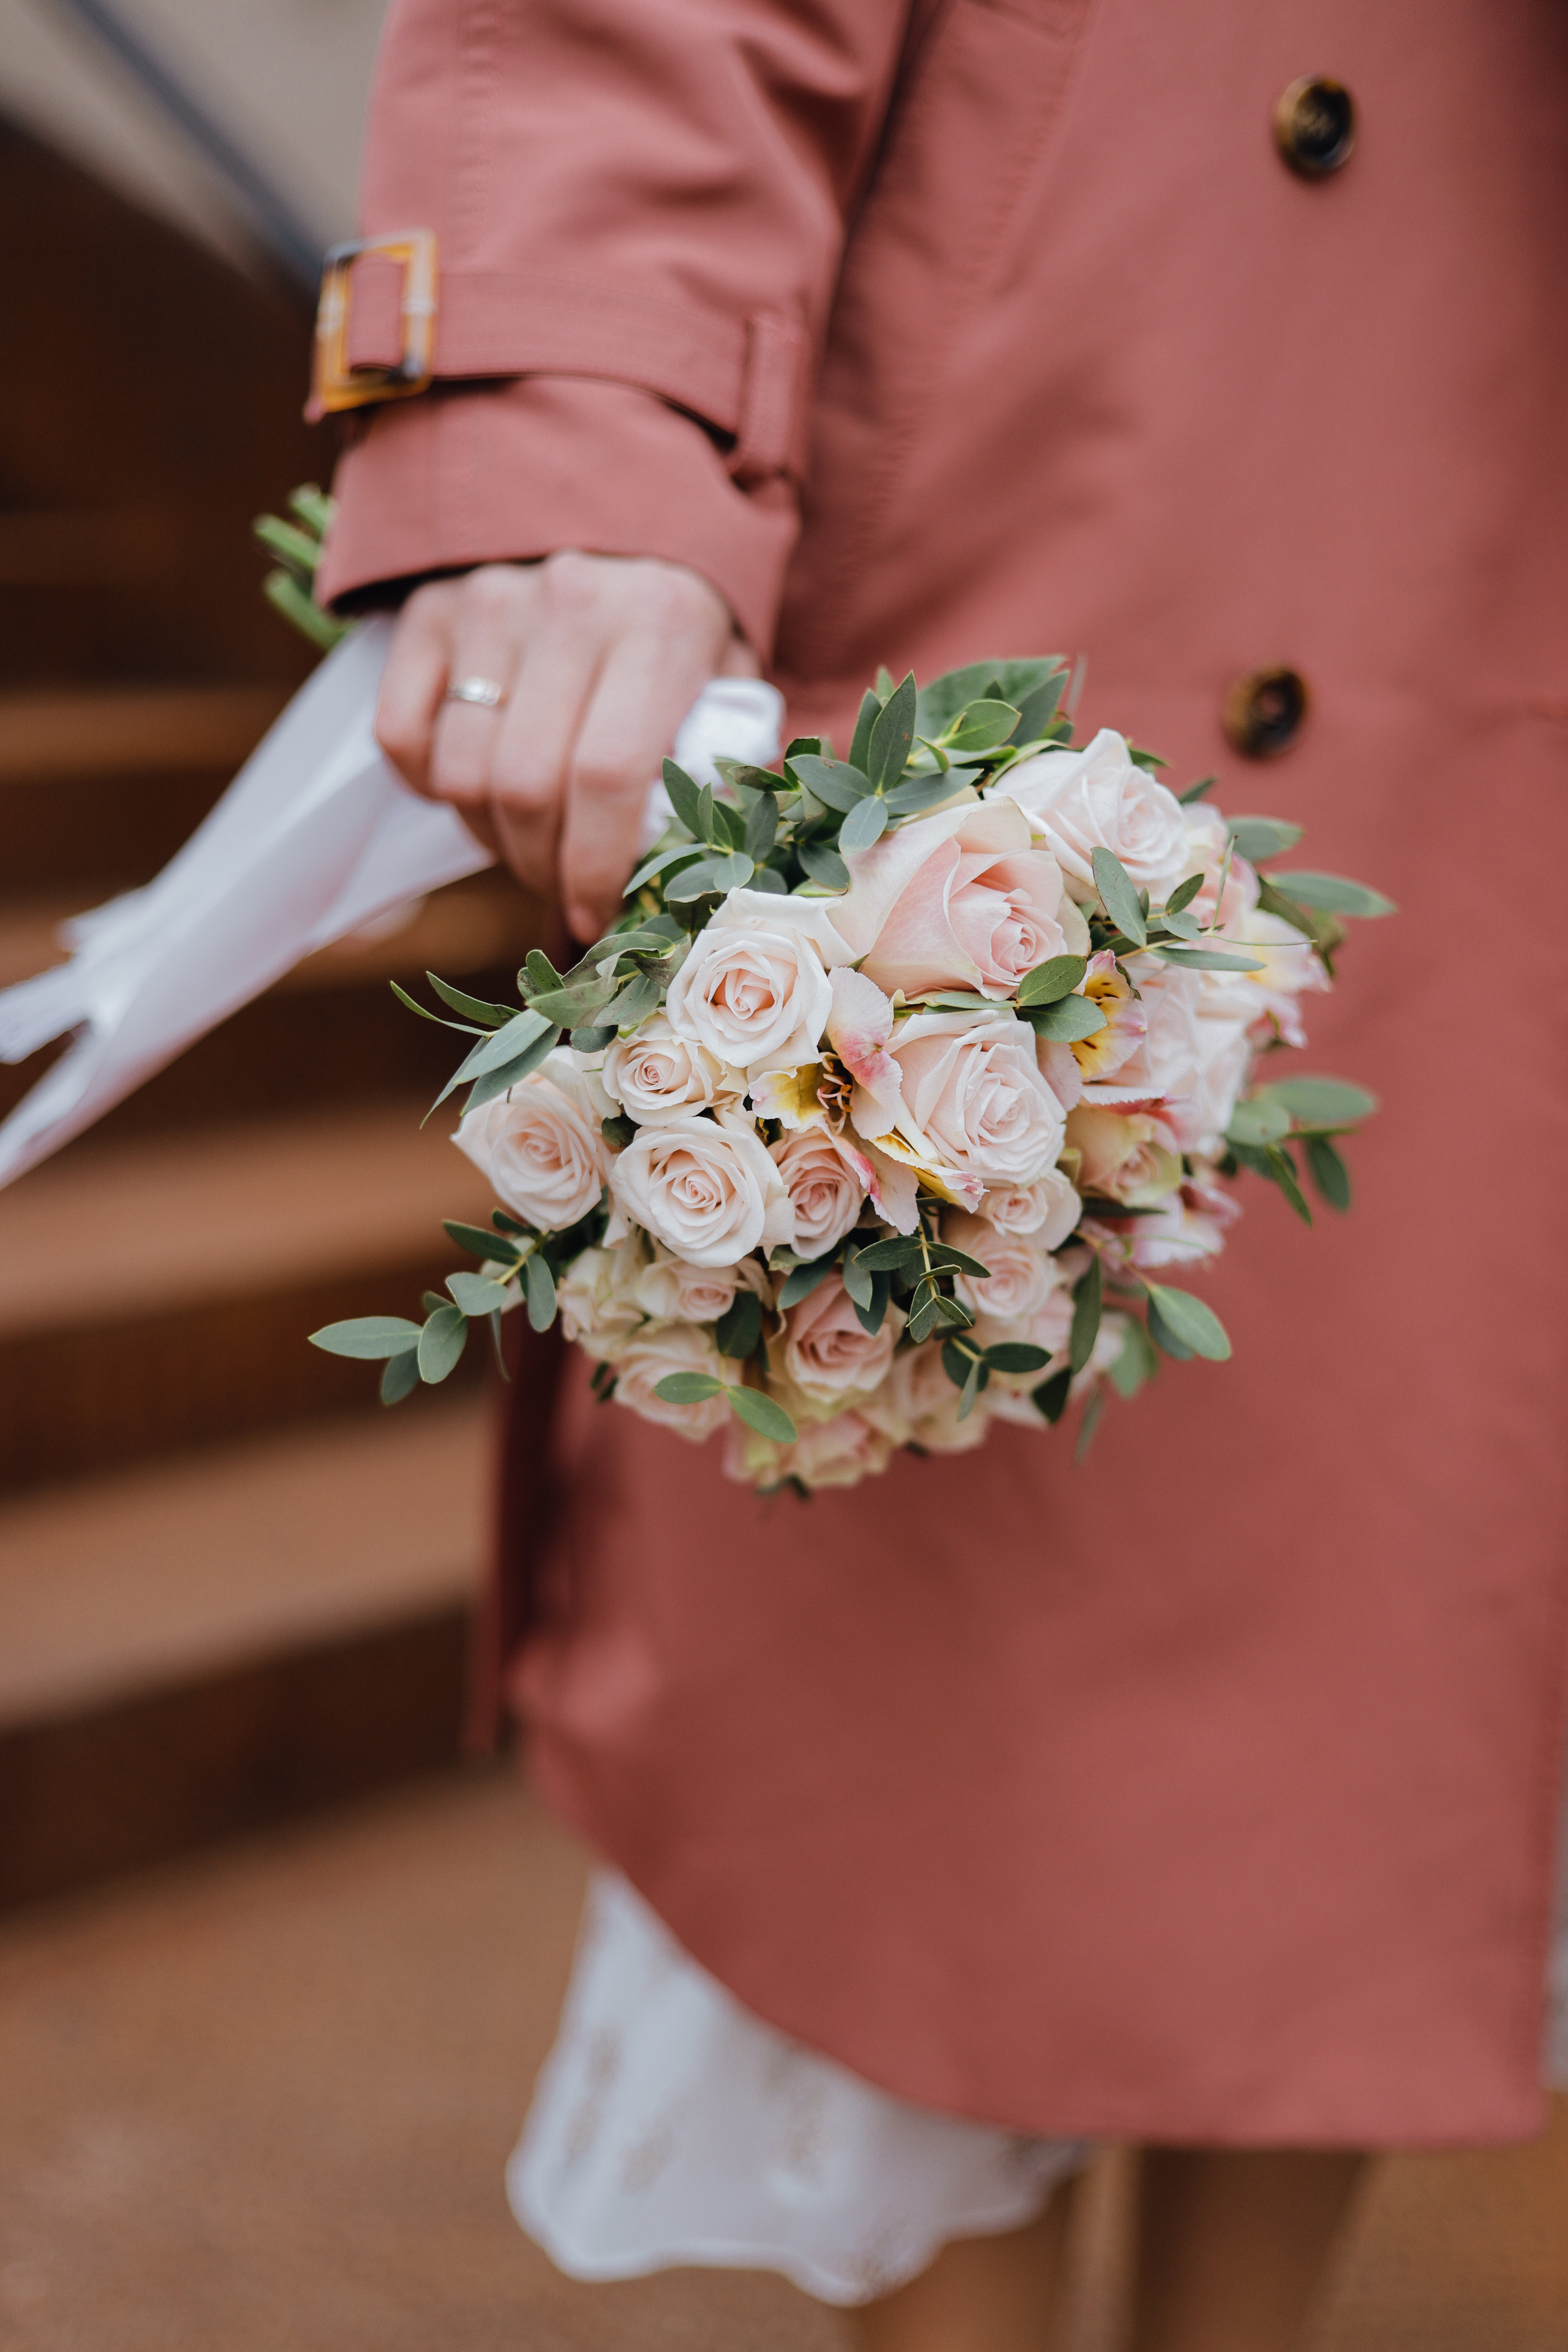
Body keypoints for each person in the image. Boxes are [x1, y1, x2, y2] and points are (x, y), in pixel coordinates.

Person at [315, 2, 1568, 2343]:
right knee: (940, 1750)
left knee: (1365, 1713)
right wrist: (582, 413)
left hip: (1481, 618)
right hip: (1007, 557)